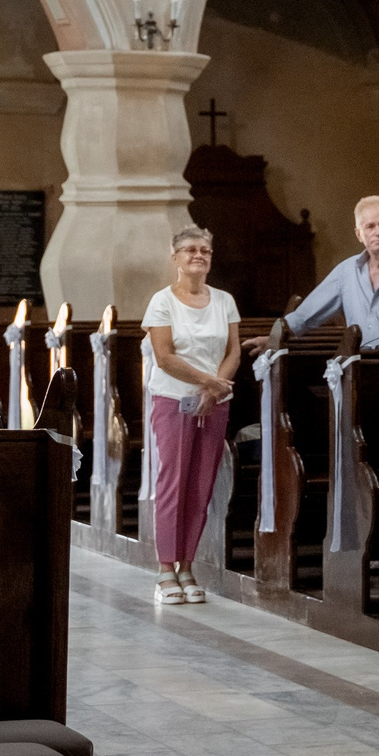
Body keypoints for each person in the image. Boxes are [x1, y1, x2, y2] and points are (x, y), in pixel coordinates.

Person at [139, 225, 242, 606]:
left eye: (205, 250)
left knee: (201, 485)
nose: (199, 256)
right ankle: (165, 568)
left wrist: (215, 388)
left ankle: (187, 566)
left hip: (214, 402)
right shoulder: (162, 301)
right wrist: (208, 383)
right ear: (176, 258)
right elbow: (164, 356)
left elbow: (233, 350)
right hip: (173, 399)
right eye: (190, 250)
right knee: (173, 483)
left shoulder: (224, 301)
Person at [283, 195, 379, 354]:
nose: (378, 232)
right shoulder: (346, 271)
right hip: (358, 361)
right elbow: (306, 314)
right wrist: (273, 338)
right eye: (370, 226)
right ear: (359, 234)